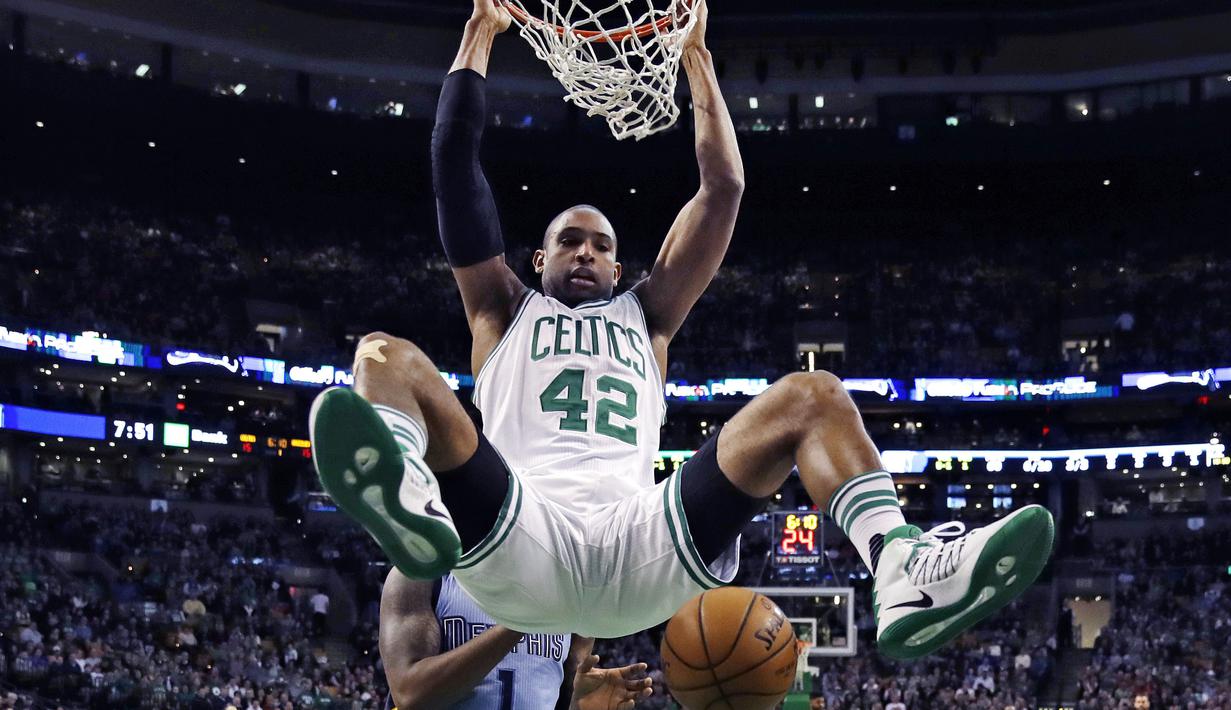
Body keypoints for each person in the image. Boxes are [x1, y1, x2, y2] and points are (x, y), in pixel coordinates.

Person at [308, 0, 1054, 659]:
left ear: (620, 264)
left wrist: (696, 58)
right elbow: (452, 161)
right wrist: (478, 31)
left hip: (640, 545)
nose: (586, 252)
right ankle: (411, 502)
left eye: (601, 245)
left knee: (814, 394)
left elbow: (722, 187)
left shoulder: (650, 313)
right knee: (382, 354)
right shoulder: (499, 309)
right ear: (536, 258)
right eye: (569, 240)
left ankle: (902, 570)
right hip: (516, 531)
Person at [379, 570, 651, 709]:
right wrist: (519, 623)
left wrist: (580, 706)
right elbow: (410, 693)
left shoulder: (569, 587)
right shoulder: (421, 576)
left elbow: (563, 700)